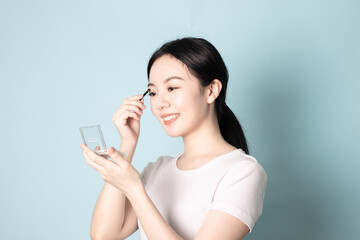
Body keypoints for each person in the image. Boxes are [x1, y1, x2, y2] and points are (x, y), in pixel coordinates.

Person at [80, 37, 267, 240]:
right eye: (153, 93)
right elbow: (103, 235)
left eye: (172, 88)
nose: (160, 103)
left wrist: (134, 189)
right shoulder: (157, 170)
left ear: (211, 90)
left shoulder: (242, 171)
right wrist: (127, 146)